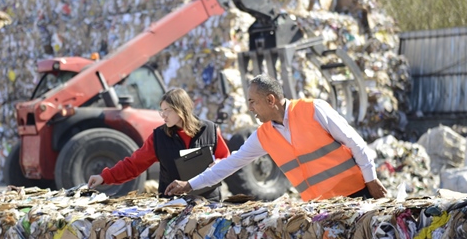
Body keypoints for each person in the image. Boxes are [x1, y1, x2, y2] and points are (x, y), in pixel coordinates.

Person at [165, 74, 388, 201]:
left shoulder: (314, 110)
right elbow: (230, 164)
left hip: (358, 195)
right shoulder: (264, 135)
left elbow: (355, 142)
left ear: (271, 100)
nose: (250, 108)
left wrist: (371, 180)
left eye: (253, 101)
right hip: (322, 207)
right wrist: (189, 184)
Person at [88, 88, 230, 201]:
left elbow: (226, 161)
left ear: (181, 110)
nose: (163, 115)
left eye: (167, 110)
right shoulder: (159, 137)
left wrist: (216, 163)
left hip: (208, 203)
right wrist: (104, 177)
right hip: (173, 206)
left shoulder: (210, 130)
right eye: (161, 110)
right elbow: (133, 165)